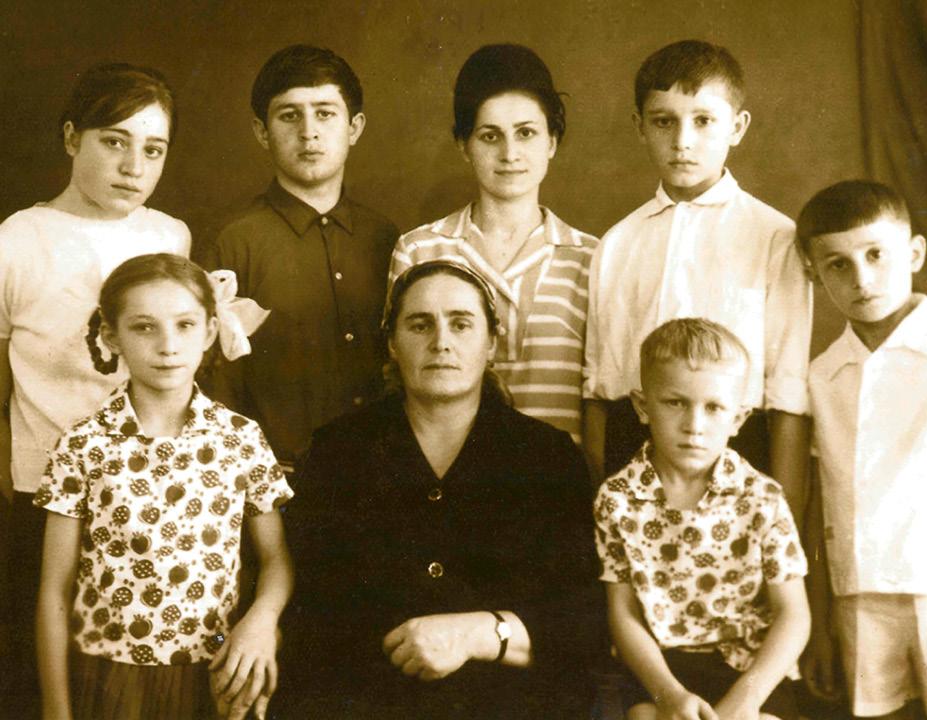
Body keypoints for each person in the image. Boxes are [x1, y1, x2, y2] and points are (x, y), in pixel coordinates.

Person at [283, 260, 603, 718]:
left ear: (491, 344)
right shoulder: (338, 452)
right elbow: (312, 617)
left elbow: (582, 623)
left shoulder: (548, 457)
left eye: (461, 323)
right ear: (392, 344)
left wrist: (478, 633)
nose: (441, 342)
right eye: (420, 325)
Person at [0, 62, 191, 717]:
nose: (134, 166)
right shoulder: (16, 241)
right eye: (115, 141)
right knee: (45, 672)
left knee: (129, 679)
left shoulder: (169, 236)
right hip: (46, 492)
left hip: (146, 494)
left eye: (153, 149)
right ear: (70, 137)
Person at [34, 253, 294, 720]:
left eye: (185, 325)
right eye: (144, 327)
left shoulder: (240, 438)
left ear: (210, 332)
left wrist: (261, 619)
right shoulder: (84, 444)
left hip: (214, 673)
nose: (168, 346)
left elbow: (276, 560)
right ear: (112, 336)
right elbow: (55, 591)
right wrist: (57, 712)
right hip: (108, 678)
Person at [583, 40, 811, 517]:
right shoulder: (617, 243)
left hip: (741, 457)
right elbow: (600, 392)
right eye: (663, 121)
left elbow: (788, 396)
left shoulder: (774, 236)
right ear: (640, 126)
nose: (682, 141)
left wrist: (783, 520)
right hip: (632, 462)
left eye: (703, 120)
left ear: (737, 127)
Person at [798, 180, 927, 720]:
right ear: (814, 273)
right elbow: (821, 503)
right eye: (838, 265)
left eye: (875, 255)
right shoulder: (822, 375)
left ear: (914, 253)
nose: (861, 279)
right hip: (860, 596)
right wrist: (821, 623)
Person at [594, 318, 810, 720]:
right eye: (675, 402)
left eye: (714, 408)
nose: (694, 426)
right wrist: (669, 694)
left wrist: (746, 701)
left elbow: (793, 614)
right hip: (661, 669)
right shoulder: (618, 499)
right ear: (643, 406)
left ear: (738, 419)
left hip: (750, 667)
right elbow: (623, 614)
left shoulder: (762, 497)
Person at [388, 44, 598, 444]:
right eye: (490, 136)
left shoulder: (591, 258)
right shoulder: (418, 249)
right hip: (447, 472)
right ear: (463, 145)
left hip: (556, 474)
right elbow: (402, 384)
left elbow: (597, 397)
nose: (509, 154)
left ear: (552, 142)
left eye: (526, 133)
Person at [205, 44, 399, 473]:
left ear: (354, 127)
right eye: (289, 115)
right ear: (262, 132)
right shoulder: (235, 243)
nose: (308, 132)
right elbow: (219, 390)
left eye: (325, 113)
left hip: (383, 479)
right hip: (276, 481)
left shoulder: (387, 238)